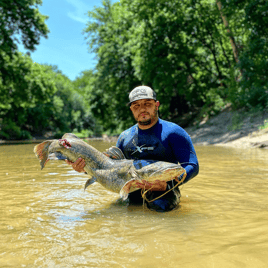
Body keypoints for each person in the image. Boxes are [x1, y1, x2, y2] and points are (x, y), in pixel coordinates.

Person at [67, 86, 199, 212]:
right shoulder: (125, 137)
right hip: (131, 192)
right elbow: (108, 168)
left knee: (160, 206)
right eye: (137, 105)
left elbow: (192, 165)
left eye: (147, 103)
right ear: (131, 109)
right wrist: (84, 168)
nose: (142, 109)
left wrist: (169, 185)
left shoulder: (174, 132)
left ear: (156, 105)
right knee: (116, 213)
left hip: (164, 192)